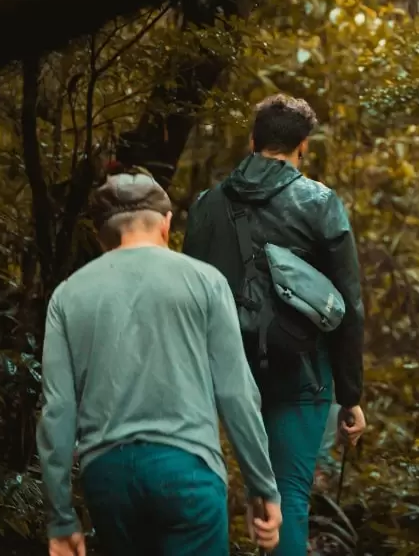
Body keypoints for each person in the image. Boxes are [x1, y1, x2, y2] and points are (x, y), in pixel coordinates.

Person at [36, 169, 283, 556]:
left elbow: (57, 411)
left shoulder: (67, 296)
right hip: (187, 470)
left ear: (101, 236)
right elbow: (236, 393)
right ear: (167, 225)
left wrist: (61, 517)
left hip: (108, 478)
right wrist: (262, 487)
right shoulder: (206, 281)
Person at [182, 94, 367, 556]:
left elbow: (187, 297)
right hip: (300, 370)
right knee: (289, 497)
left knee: (242, 494)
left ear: (252, 141)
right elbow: (350, 303)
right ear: (302, 146)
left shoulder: (206, 205)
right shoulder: (319, 202)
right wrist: (351, 397)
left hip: (227, 373)